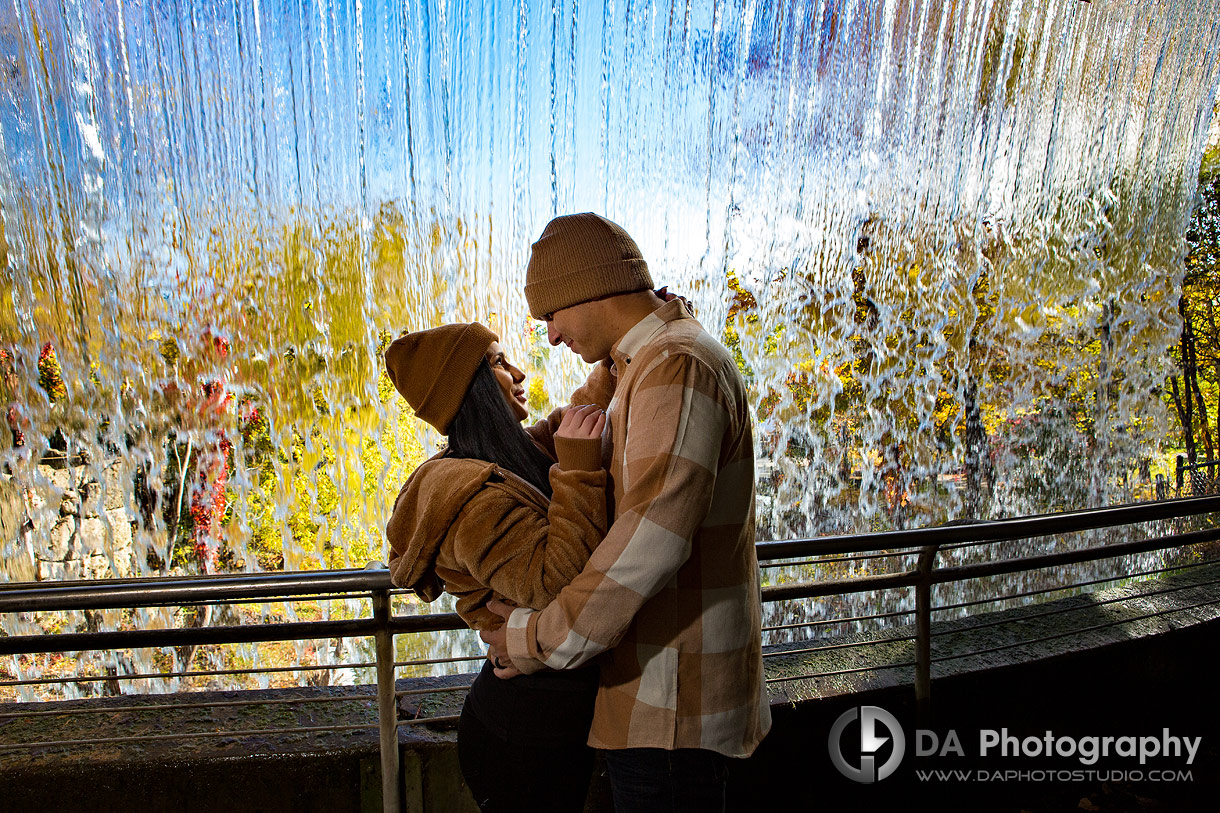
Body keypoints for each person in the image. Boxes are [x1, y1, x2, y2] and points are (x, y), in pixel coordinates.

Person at [481, 213, 772, 811]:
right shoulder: (647, 365)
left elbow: (648, 546)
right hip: (653, 706)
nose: (552, 336)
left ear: (587, 289)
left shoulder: (677, 365)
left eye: (551, 315)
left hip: (669, 713)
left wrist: (534, 638)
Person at [383, 322, 613, 812]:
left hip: (543, 712)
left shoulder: (505, 459)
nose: (519, 371)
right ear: (472, 389)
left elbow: (570, 421)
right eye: (499, 364)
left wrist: (620, 354)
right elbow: (556, 587)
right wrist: (579, 469)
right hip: (522, 730)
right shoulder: (471, 502)